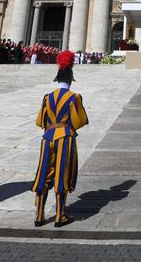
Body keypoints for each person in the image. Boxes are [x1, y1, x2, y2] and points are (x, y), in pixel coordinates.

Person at [31, 51, 88, 228]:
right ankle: (60, 216)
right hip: (65, 137)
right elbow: (80, 121)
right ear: (71, 80)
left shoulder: (47, 98)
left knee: (43, 173)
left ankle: (39, 215)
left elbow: (40, 121)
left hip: (47, 137)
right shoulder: (74, 97)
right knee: (63, 174)